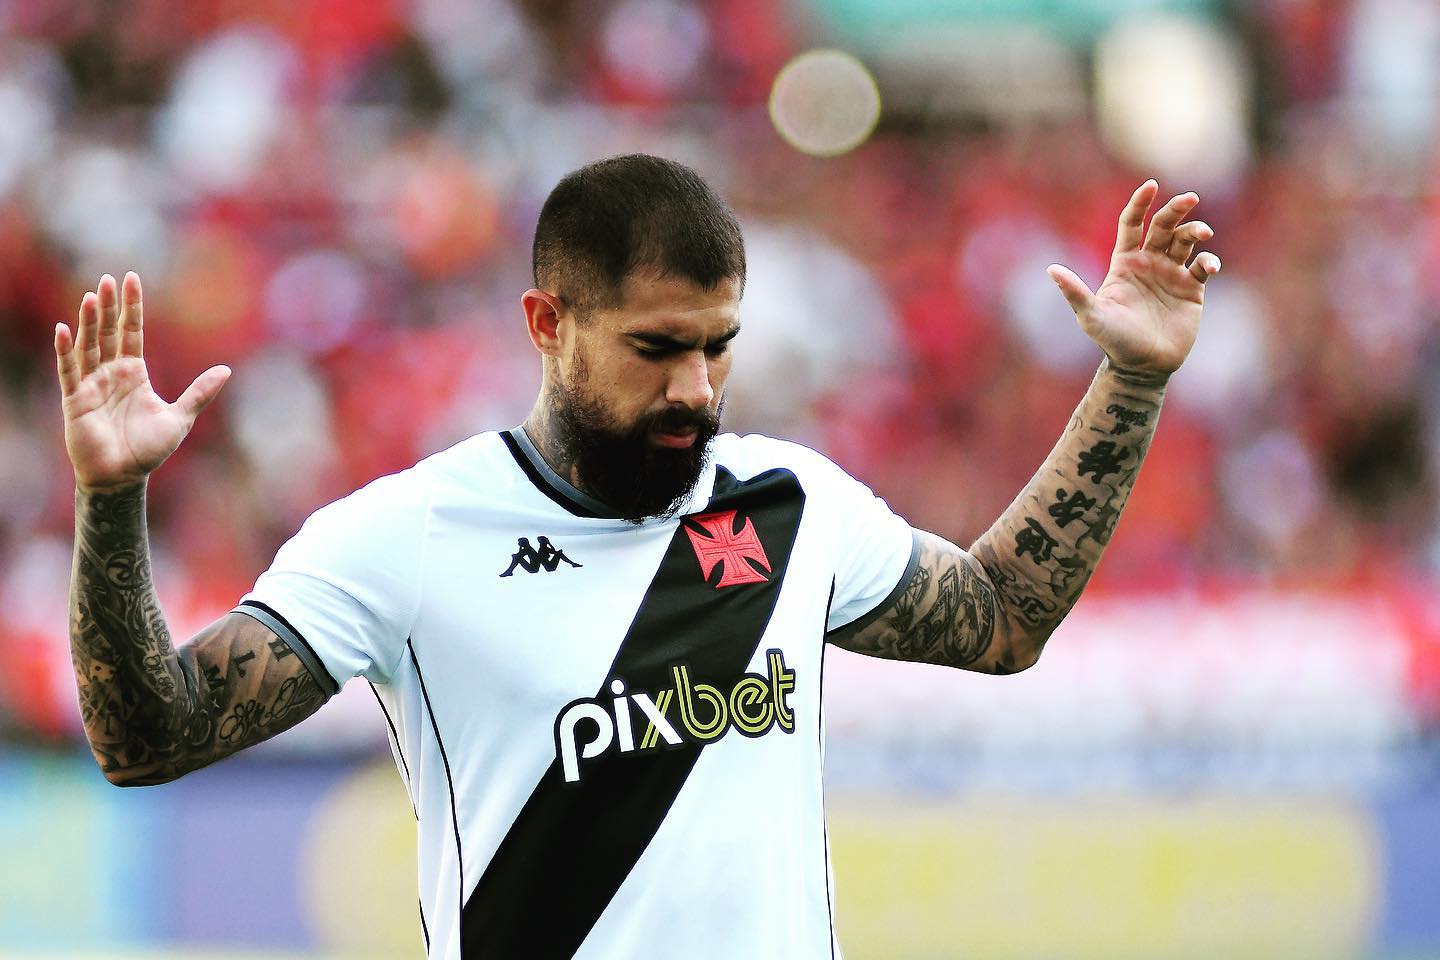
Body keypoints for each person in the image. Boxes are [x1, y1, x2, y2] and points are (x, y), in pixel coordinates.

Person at [54, 154, 1219, 959]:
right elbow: (150, 738)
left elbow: (1002, 618)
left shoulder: (789, 507)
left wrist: (1132, 378)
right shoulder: (411, 534)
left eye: (718, 347)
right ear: (547, 324)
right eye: (656, 348)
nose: (696, 389)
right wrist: (111, 501)